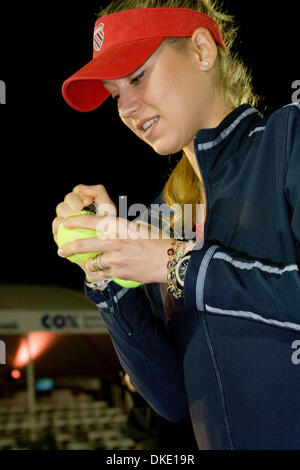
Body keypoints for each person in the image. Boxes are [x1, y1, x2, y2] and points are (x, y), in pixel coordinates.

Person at [52, 0, 300, 450]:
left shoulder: (289, 140)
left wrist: (175, 263)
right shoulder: (167, 215)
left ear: (202, 50)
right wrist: (107, 274)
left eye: (137, 77)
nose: (126, 107)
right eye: (114, 95)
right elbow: (172, 397)